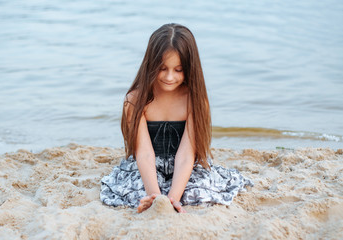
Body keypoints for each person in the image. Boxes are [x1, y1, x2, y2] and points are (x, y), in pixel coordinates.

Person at [100, 23, 253, 213]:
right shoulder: (135, 100)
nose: (170, 77)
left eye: (178, 70)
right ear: (151, 64)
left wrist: (172, 198)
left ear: (189, 68)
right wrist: (155, 198)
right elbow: (144, 153)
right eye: (162, 68)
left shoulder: (195, 99)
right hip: (147, 168)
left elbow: (186, 155)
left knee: (198, 193)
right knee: (131, 193)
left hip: (185, 168)